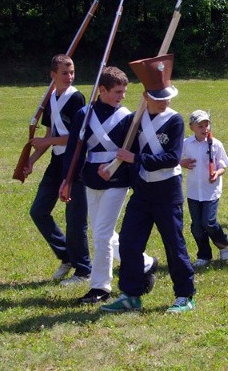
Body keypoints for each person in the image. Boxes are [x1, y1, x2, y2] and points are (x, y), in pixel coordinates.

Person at [100, 54, 195, 313]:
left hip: (167, 192)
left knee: (174, 245)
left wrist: (137, 158)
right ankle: (131, 294)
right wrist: (111, 168)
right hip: (142, 192)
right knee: (130, 243)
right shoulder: (135, 120)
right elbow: (123, 150)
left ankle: (185, 295)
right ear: (145, 97)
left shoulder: (174, 120)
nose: (164, 101)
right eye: (158, 97)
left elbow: (171, 158)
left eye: (167, 97)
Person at [58, 66, 158, 304]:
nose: (121, 96)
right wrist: (67, 180)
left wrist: (117, 168)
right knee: (102, 233)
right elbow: (74, 150)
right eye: (116, 91)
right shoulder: (84, 114)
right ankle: (145, 262)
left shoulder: (127, 118)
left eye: (124, 91)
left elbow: (131, 151)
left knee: (101, 234)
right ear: (101, 90)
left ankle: (100, 287)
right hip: (89, 179)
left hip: (117, 180)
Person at [25, 54, 91, 284]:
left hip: (75, 162)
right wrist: (32, 160)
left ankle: (83, 270)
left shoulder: (77, 98)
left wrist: (48, 143)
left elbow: (76, 138)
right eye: (65, 73)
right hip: (56, 162)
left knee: (75, 219)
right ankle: (67, 256)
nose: (70, 76)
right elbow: (49, 135)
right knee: (38, 211)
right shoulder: (50, 98)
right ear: (53, 75)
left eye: (72, 72)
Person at [180, 110, 228, 268]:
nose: (204, 128)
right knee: (196, 226)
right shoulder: (186, 143)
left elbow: (223, 165)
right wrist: (183, 163)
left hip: (211, 191)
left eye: (206, 124)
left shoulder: (216, 144)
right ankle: (204, 254)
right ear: (192, 127)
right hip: (194, 191)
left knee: (208, 222)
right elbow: (177, 159)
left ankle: (223, 244)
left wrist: (217, 173)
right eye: (200, 126)